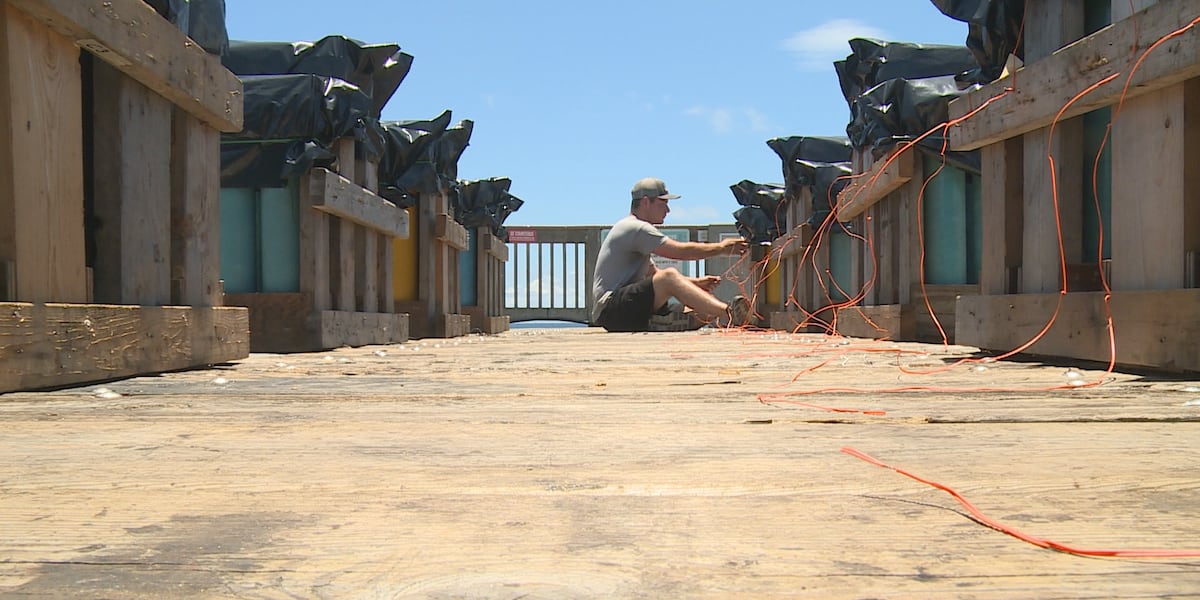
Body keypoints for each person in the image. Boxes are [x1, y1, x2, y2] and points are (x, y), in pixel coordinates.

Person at [591, 177, 751, 332]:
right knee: (669, 275)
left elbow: (653, 274)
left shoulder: (634, 232)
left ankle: (658, 323)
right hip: (610, 309)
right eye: (664, 203)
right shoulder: (635, 227)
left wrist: (696, 283)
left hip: (624, 309)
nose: (668, 210)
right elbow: (678, 252)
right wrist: (722, 248)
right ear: (646, 202)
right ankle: (729, 313)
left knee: (703, 313)